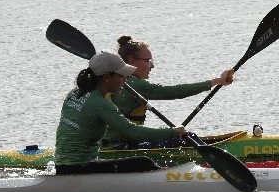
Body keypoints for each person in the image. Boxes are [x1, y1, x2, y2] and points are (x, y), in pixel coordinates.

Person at [54, 51, 189, 174]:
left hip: (62, 165)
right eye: (122, 75)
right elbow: (132, 132)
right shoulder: (101, 104)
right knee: (143, 162)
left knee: (137, 163)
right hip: (79, 168)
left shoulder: (74, 94)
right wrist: (173, 132)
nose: (125, 80)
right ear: (107, 77)